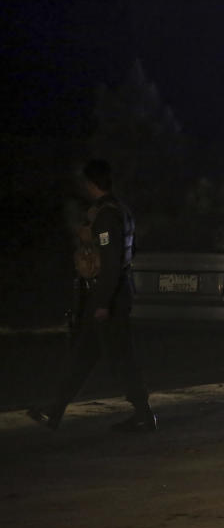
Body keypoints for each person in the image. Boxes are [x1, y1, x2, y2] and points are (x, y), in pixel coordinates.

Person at [28, 159, 157, 432]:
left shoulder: (107, 215)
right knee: (83, 355)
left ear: (90, 183)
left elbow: (110, 262)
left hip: (108, 297)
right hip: (108, 294)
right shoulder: (121, 210)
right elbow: (129, 252)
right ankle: (55, 410)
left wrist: (102, 303)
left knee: (121, 357)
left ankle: (144, 414)